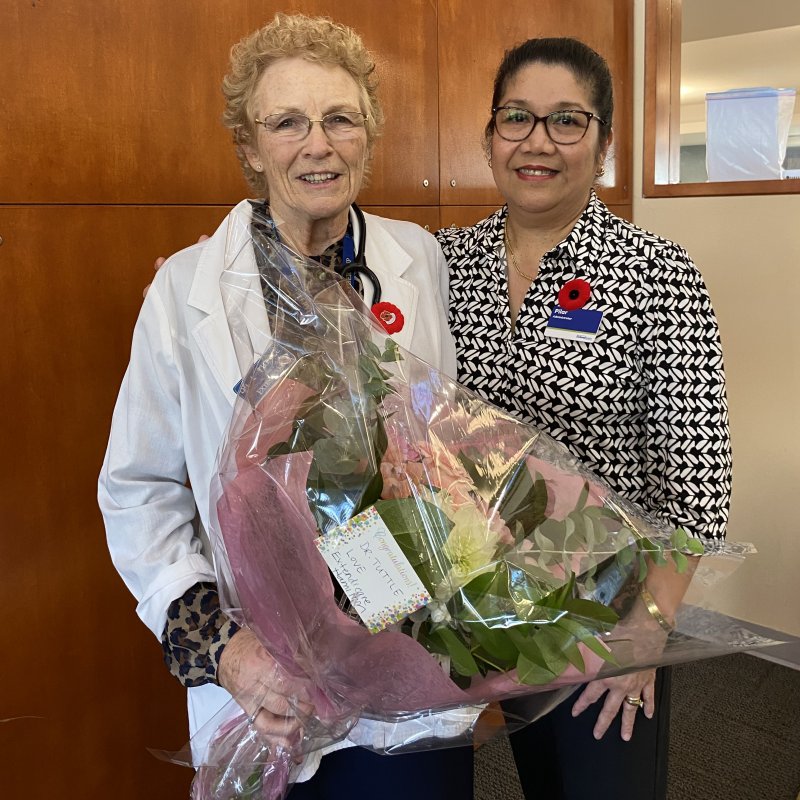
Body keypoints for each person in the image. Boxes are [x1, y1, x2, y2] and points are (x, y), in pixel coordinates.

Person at [98, 13, 473, 799]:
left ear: (369, 133)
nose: (318, 144)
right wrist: (226, 650)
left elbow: (446, 444)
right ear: (249, 144)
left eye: (341, 119)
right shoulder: (186, 292)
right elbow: (139, 491)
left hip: (400, 653)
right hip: (262, 677)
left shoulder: (419, 259)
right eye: (287, 122)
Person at [435, 37, 732, 799]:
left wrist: (649, 625)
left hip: (607, 617)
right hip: (477, 605)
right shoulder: (441, 262)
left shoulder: (656, 273)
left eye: (568, 120)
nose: (538, 142)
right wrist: (218, 267)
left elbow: (698, 480)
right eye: (517, 117)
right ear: (489, 135)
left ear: (604, 143)